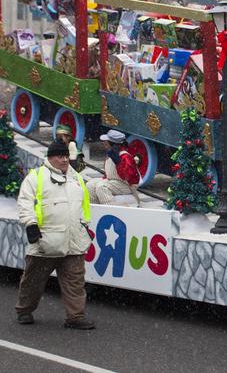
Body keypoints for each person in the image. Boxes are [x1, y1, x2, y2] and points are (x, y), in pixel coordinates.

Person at [15, 140, 95, 329]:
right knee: (33, 281)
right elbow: (25, 202)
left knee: (75, 282)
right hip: (45, 240)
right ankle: (24, 310)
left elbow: (83, 206)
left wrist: (84, 226)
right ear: (49, 158)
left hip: (74, 240)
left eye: (66, 156)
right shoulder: (36, 177)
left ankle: (75, 317)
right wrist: (31, 224)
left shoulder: (75, 178)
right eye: (60, 156)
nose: (64, 159)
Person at [86, 130, 140, 205]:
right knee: (90, 185)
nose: (104, 143)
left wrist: (118, 162)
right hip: (114, 181)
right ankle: (95, 209)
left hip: (127, 184)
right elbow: (109, 173)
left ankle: (109, 211)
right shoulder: (111, 154)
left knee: (102, 187)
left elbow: (127, 177)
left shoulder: (125, 156)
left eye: (107, 142)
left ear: (114, 144)